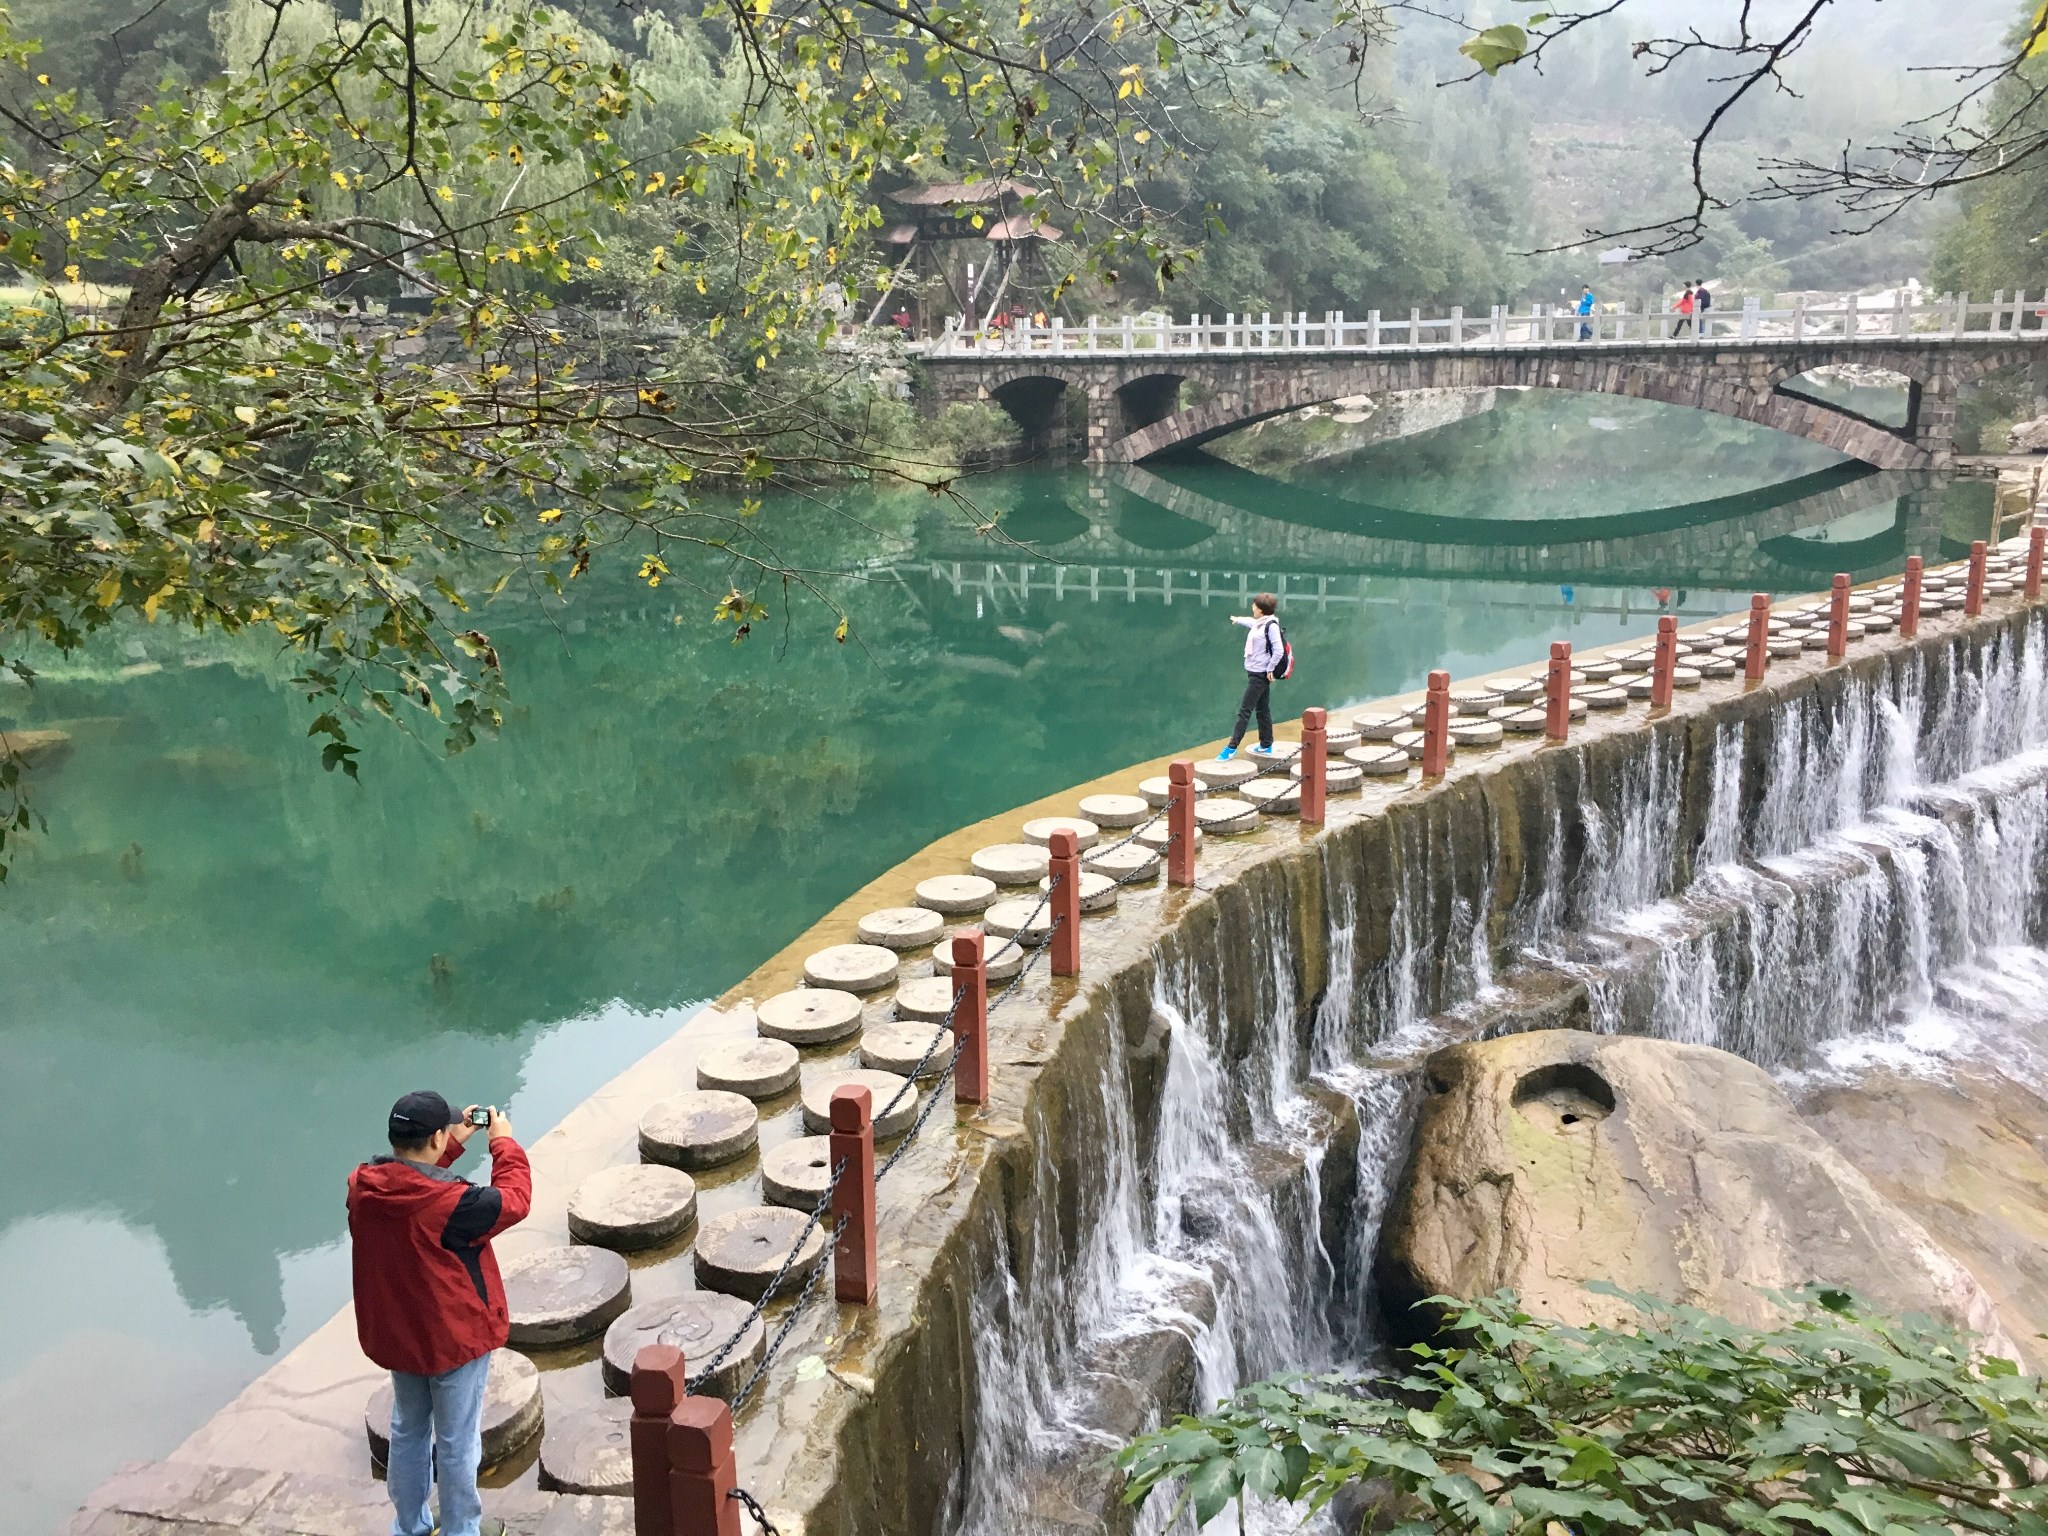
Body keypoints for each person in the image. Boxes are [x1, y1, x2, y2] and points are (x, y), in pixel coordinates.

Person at [350, 1091, 531, 1536]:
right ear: (434, 1136)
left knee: (408, 1430)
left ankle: (410, 1526)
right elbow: (514, 1199)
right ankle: (461, 1530)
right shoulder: (455, 1206)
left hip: (400, 1334)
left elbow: (414, 1189)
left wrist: (451, 1145)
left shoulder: (364, 1187)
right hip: (452, 1339)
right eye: (444, 1132)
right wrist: (502, 1142)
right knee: (456, 1443)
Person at [1220, 592, 1284, 761]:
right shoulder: (1261, 623)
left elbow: (1279, 650)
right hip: (1254, 671)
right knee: (1262, 709)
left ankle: (1232, 747)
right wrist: (1238, 619)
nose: (1253, 607)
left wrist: (1270, 669)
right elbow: (1252, 623)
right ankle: (1266, 744)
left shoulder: (1271, 626)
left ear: (1262, 610)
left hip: (1260, 674)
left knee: (1244, 711)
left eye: (1255, 605)